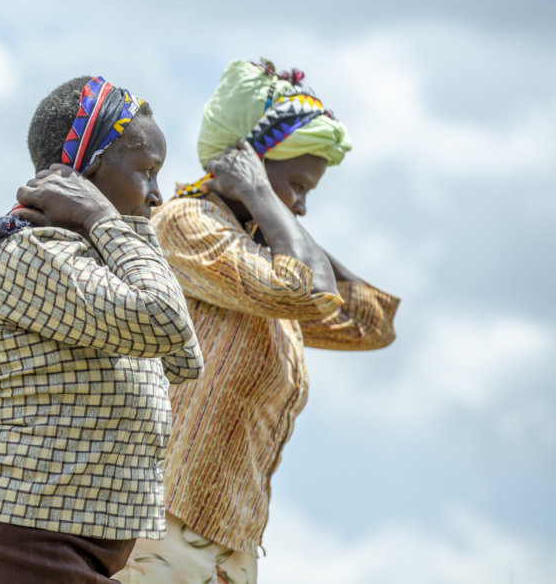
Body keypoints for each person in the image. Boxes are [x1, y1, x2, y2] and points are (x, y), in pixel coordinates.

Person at [114, 59, 400, 584]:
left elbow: (369, 322)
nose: (302, 206)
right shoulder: (187, 225)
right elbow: (304, 291)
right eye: (297, 185)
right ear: (246, 164)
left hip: (228, 540)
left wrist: (272, 210)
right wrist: (267, 201)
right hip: (161, 529)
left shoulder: (263, 258)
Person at [0, 75, 203, 583]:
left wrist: (116, 228)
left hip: (60, 548)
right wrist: (101, 216)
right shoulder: (34, 256)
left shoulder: (94, 261)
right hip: (16, 546)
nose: (158, 195)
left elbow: (186, 358)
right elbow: (164, 320)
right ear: (87, 171)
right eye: (147, 171)